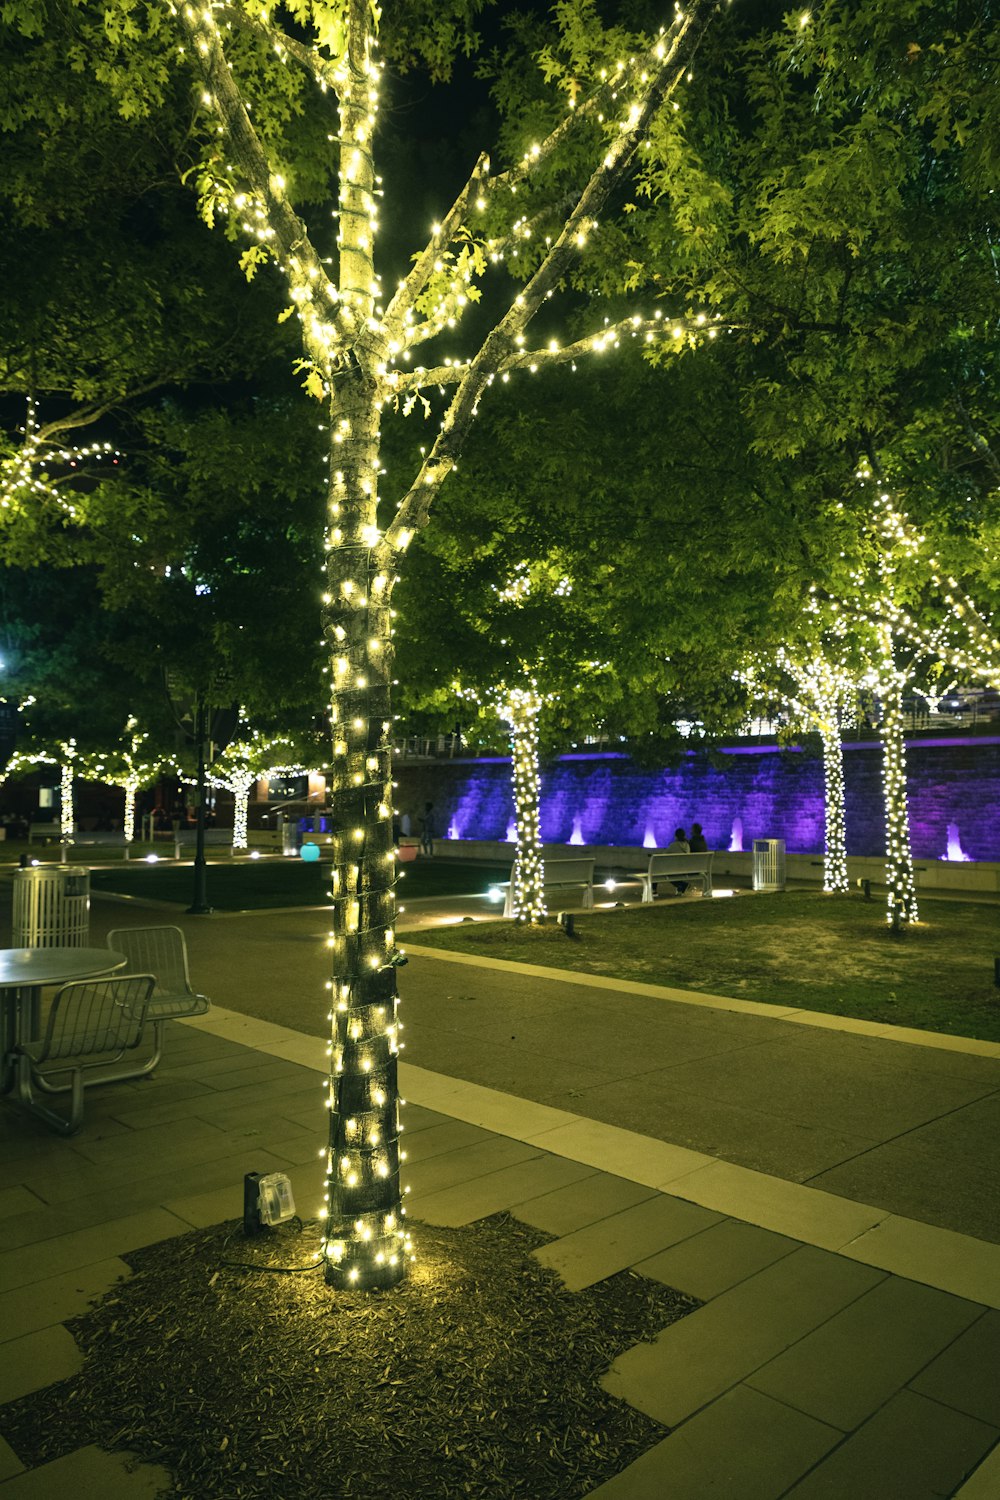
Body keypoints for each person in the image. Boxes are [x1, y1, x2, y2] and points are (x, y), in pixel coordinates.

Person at [666, 826, 690, 894]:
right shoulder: (687, 845)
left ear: (676, 836)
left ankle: (654, 890)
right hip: (685, 869)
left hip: (675, 869)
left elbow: (663, 855)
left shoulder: (673, 845)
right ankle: (681, 886)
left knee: (658, 871)